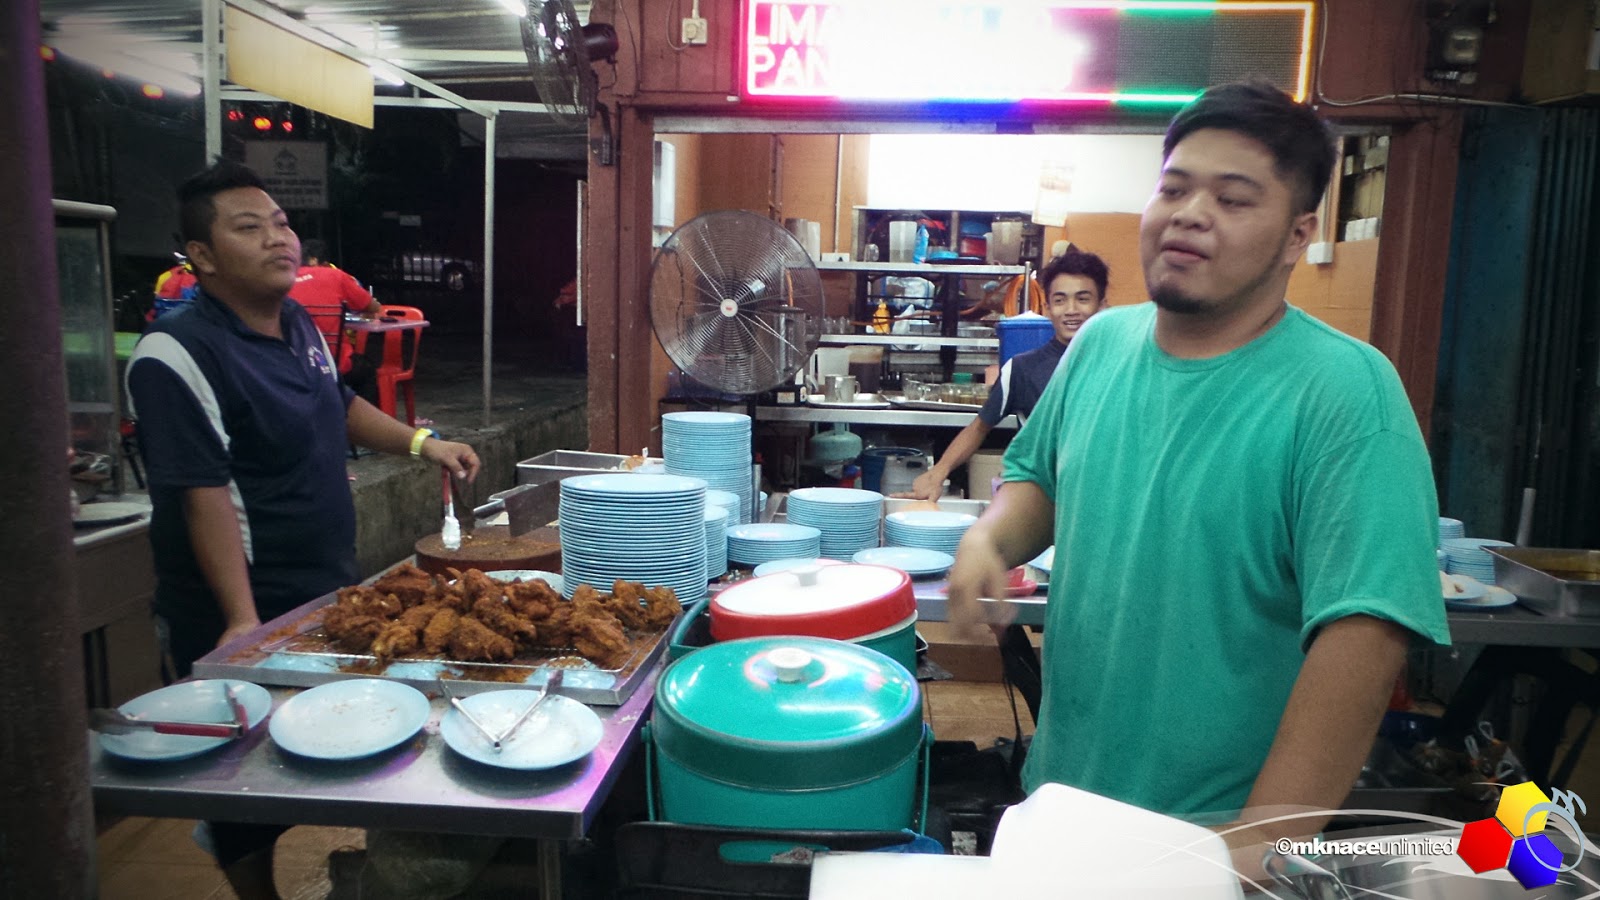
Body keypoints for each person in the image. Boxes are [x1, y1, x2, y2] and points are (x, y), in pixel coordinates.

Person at [946, 80, 1449, 876]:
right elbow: (1039, 478)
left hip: (1211, 846)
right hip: (1063, 806)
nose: (1189, 213)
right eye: (1174, 188)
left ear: (1297, 235)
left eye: (1234, 198)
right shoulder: (1102, 344)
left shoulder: (1347, 392)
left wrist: (1261, 846)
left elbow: (1366, 632)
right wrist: (990, 535)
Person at [126, 161, 480, 899]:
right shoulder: (176, 354)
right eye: (248, 227)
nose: (278, 238)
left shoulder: (295, 324)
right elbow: (202, 493)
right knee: (241, 776)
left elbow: (339, 405)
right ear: (203, 255)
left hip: (323, 587)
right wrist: (240, 622)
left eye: (281, 223)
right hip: (240, 600)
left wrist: (424, 445)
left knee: (334, 741)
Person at [898, 247, 1109, 502]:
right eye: (1060, 300)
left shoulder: (1120, 367)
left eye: (1083, 299)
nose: (1071, 309)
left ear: (1102, 306)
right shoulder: (1022, 369)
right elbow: (979, 428)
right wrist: (937, 474)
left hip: (1102, 500)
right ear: (1048, 308)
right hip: (1042, 503)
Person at [291, 237, 381, 374]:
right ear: (320, 261)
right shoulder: (335, 275)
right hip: (334, 362)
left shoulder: (284, 278)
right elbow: (373, 307)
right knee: (367, 370)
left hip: (294, 364)